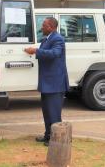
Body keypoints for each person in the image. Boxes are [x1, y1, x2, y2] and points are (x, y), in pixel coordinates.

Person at [24, 17, 69, 146]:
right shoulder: (46, 39)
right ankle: (48, 136)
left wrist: (36, 51)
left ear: (51, 27)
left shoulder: (58, 39)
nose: (41, 27)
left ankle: (56, 140)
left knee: (54, 114)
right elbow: (46, 53)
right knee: (47, 112)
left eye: (43, 25)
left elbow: (55, 53)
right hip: (47, 83)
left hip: (55, 84)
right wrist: (35, 50)